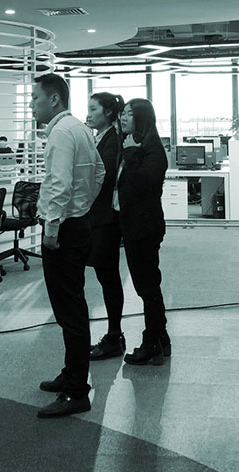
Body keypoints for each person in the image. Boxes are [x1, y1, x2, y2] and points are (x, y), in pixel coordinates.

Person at [29, 72, 105, 418]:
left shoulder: (60, 133)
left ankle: (76, 391)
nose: (32, 105)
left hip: (62, 230)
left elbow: (58, 184)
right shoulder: (80, 129)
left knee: (69, 310)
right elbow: (99, 173)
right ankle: (71, 374)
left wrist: (52, 228)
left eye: (35, 98)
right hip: (78, 223)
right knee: (72, 305)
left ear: (54, 99)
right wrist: (83, 206)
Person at [109, 99, 172, 365]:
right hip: (133, 225)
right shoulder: (130, 145)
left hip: (144, 227)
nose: (122, 118)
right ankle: (161, 337)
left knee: (147, 287)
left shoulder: (151, 149)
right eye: (122, 113)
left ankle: (151, 343)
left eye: (129, 114)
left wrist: (132, 153)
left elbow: (143, 184)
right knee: (147, 285)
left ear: (142, 118)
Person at [82, 92, 128, 361]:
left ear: (108, 113)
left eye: (93, 109)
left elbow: (105, 176)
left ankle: (114, 336)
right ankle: (113, 334)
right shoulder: (101, 137)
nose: (88, 114)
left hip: (105, 220)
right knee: (106, 277)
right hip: (98, 217)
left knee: (108, 277)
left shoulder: (113, 140)